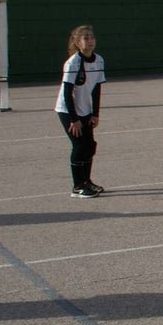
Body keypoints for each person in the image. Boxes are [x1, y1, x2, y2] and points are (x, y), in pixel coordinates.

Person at [55, 25, 107, 198]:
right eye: (86, 38)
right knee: (79, 145)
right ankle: (77, 186)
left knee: (90, 145)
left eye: (92, 37)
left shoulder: (98, 60)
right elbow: (67, 93)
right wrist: (73, 119)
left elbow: (96, 89)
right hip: (68, 111)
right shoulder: (73, 63)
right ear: (77, 43)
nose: (90, 41)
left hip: (85, 110)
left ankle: (87, 181)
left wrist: (95, 113)